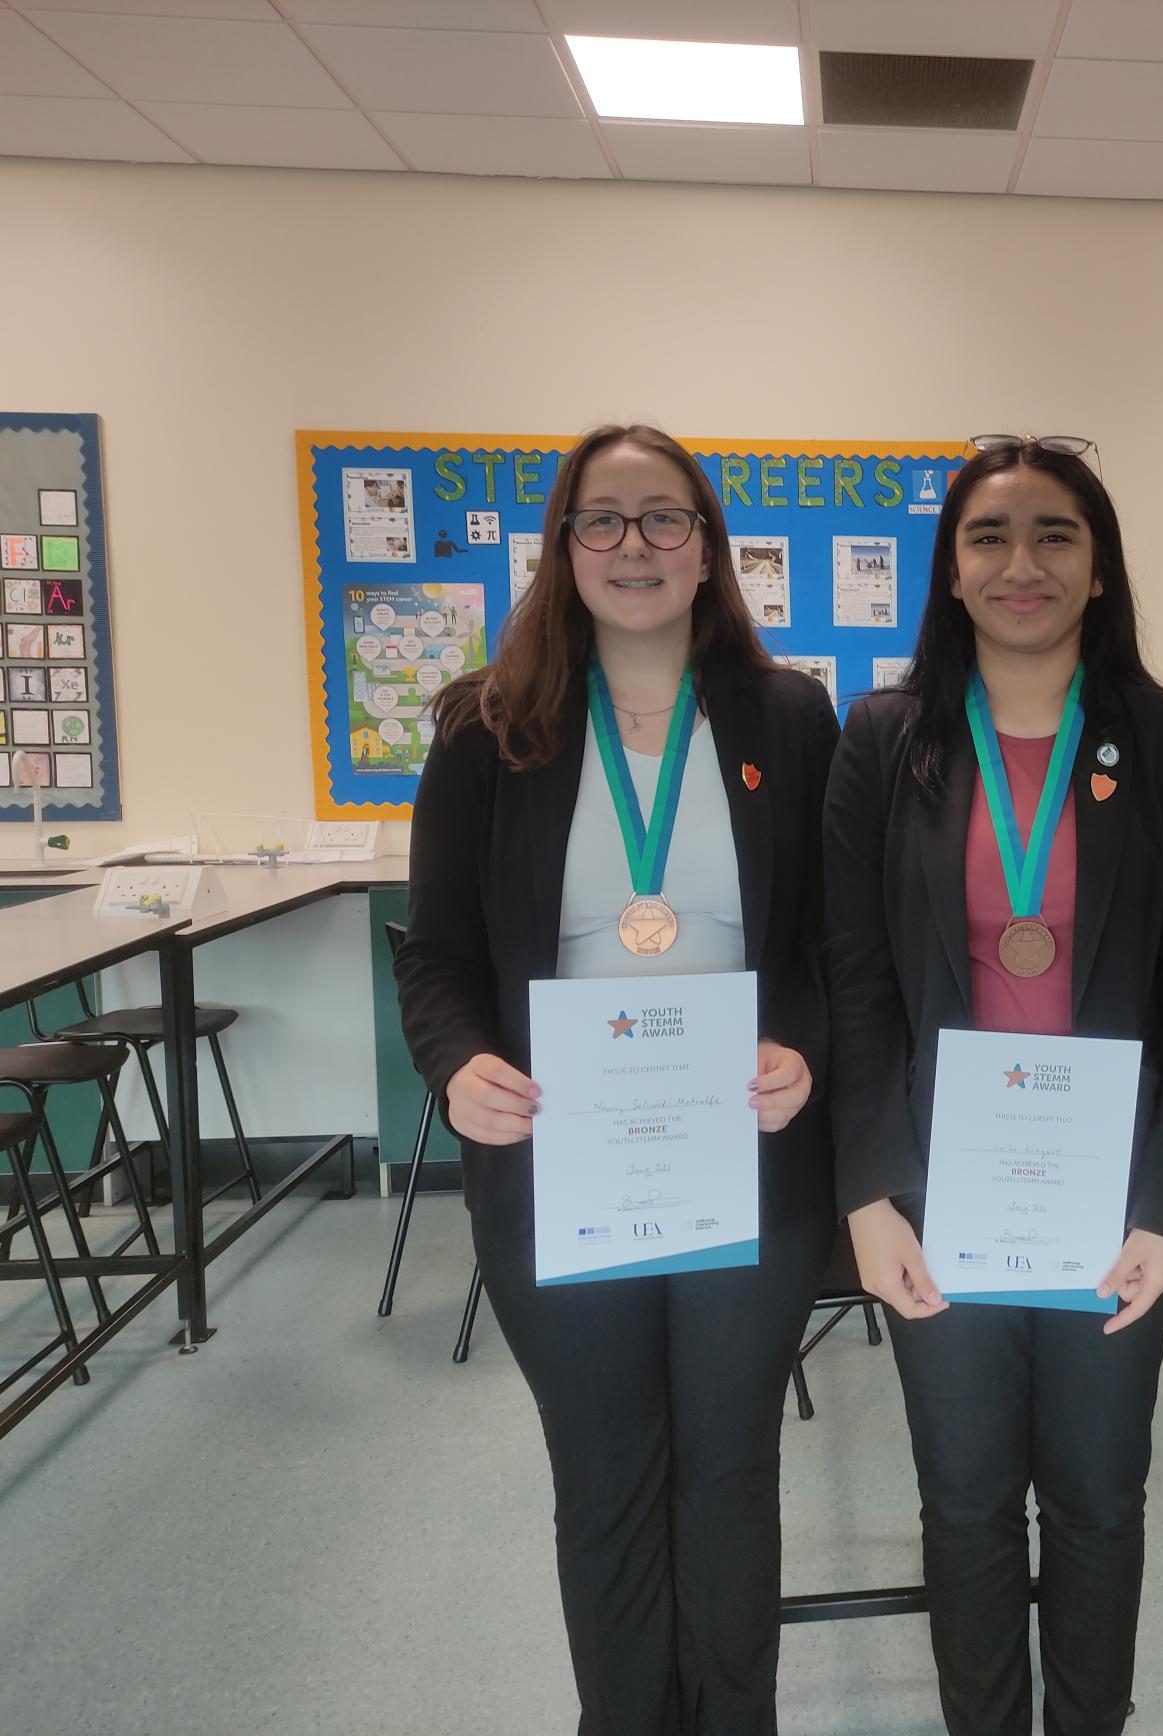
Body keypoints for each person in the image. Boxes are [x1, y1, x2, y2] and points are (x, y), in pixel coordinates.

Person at [396, 422, 838, 1735]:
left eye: (663, 518)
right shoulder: (487, 729)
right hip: (559, 1169)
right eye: (603, 518)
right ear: (563, 545)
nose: (633, 545)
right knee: (605, 1479)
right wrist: (458, 1064)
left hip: (743, 1162)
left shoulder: (789, 719)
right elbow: (437, 955)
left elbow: (833, 944)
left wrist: (804, 1046)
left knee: (728, 1470)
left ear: (707, 547)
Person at [824, 437, 1163, 1736]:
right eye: (989, 537)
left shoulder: (1162, 740)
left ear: (1099, 568)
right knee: (963, 1502)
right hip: (935, 1197)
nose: (1023, 564)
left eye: (1056, 534)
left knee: (1100, 1500)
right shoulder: (885, 742)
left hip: (1113, 1206)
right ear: (950, 572)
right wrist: (869, 1195)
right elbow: (855, 988)